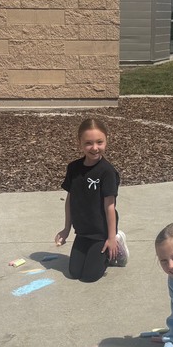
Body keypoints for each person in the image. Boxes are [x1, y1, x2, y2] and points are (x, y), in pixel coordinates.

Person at [54, 118, 128, 283]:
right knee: (74, 273)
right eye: (88, 143)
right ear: (79, 143)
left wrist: (110, 238)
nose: (94, 148)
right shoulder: (74, 168)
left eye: (99, 142)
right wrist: (66, 229)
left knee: (90, 276)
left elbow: (110, 207)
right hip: (83, 230)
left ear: (106, 140)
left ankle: (117, 241)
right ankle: (98, 251)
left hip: (101, 231)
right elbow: (70, 200)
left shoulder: (107, 172)